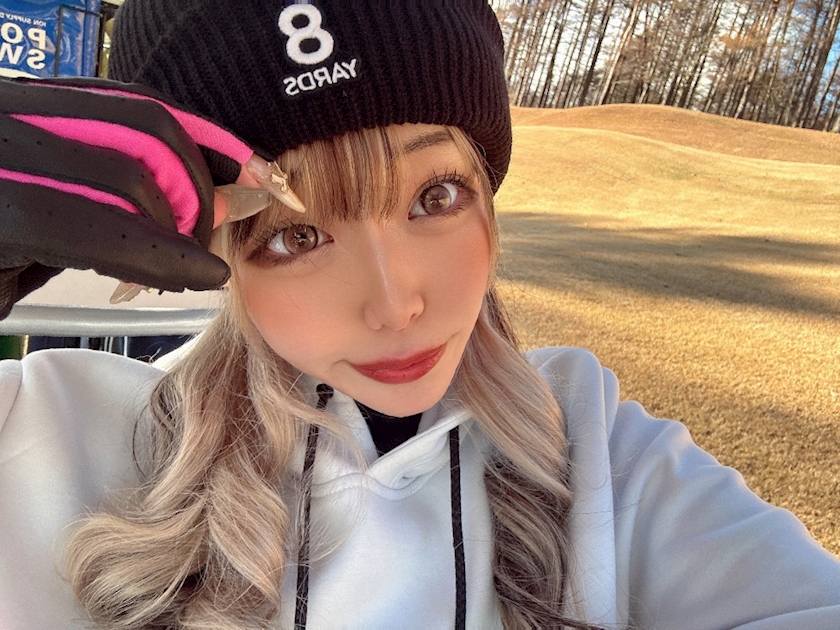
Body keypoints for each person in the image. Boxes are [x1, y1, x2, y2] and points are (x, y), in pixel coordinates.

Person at [1, 1, 839, 628]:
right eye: (296, 234)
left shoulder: (599, 450)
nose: (396, 303)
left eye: (436, 196)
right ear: (217, 247)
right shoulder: (60, 433)